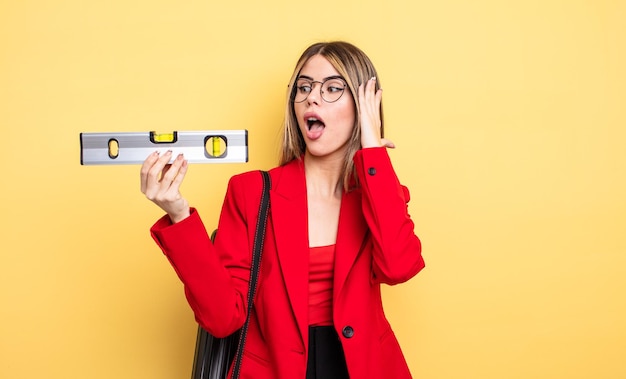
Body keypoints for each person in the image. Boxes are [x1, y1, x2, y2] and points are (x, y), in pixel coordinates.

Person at [140, 41, 425, 379]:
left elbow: (399, 267)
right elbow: (222, 317)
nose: (312, 98)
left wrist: (373, 154)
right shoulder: (251, 193)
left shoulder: (378, 193)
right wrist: (178, 214)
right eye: (303, 87)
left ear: (364, 107)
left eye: (332, 88)